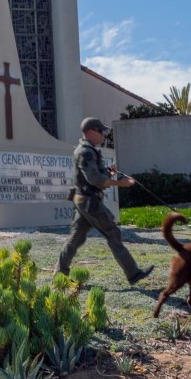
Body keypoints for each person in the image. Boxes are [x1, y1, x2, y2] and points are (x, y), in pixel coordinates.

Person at [57, 117, 155, 285]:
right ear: (90, 132)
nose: (102, 135)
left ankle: (59, 276)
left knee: (75, 238)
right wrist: (120, 183)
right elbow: (95, 179)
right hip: (89, 201)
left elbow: (95, 176)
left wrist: (109, 172)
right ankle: (133, 273)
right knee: (112, 232)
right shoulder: (86, 152)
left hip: (84, 199)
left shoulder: (88, 150)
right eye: (100, 131)